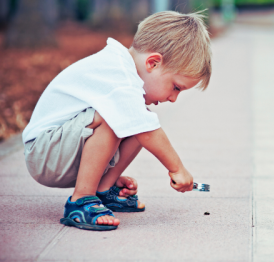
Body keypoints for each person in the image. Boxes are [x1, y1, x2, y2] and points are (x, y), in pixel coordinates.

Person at [21, 11, 212, 231]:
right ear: (153, 63)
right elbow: (148, 131)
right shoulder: (118, 74)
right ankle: (81, 200)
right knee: (127, 119)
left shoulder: (124, 71)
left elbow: (144, 128)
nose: (173, 98)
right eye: (176, 87)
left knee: (140, 119)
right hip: (44, 153)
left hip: (59, 150)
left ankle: (104, 189)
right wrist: (177, 169)